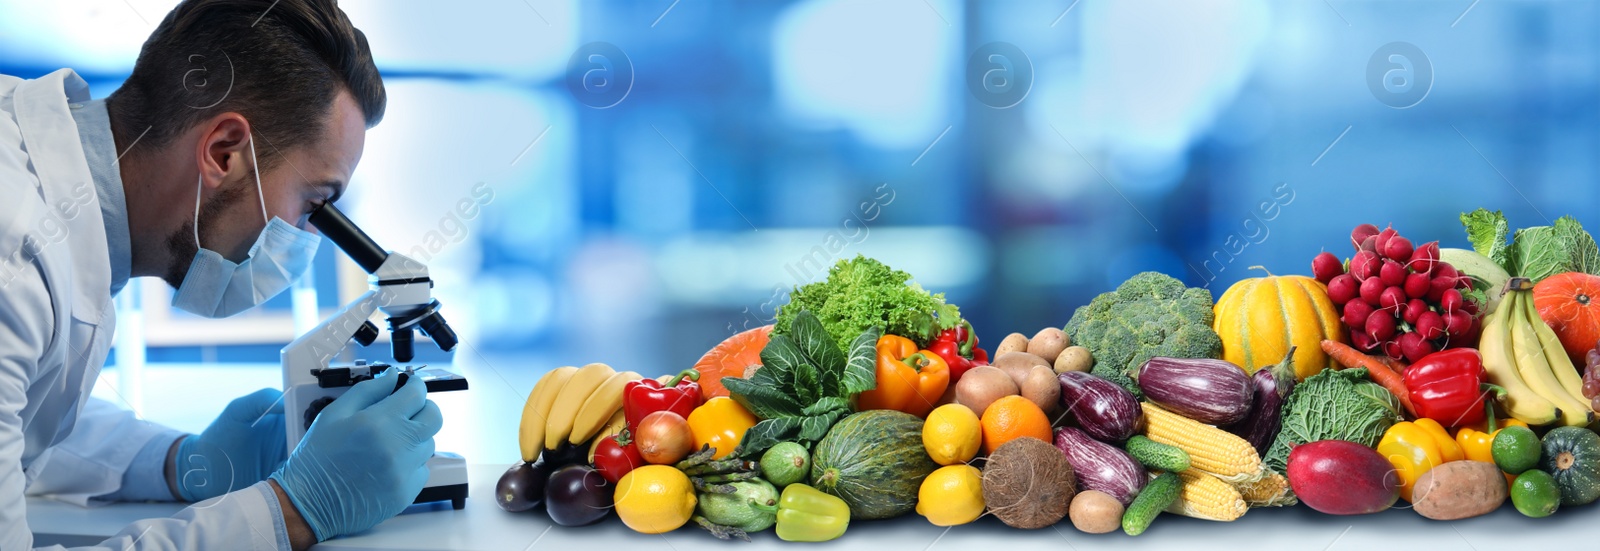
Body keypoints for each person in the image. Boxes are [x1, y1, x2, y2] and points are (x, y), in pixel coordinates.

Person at [0, 0, 441, 549]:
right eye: (314, 203)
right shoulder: (14, 255)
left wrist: (180, 462)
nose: (306, 238)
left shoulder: (43, 188)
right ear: (225, 152)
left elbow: (17, 419)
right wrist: (296, 510)